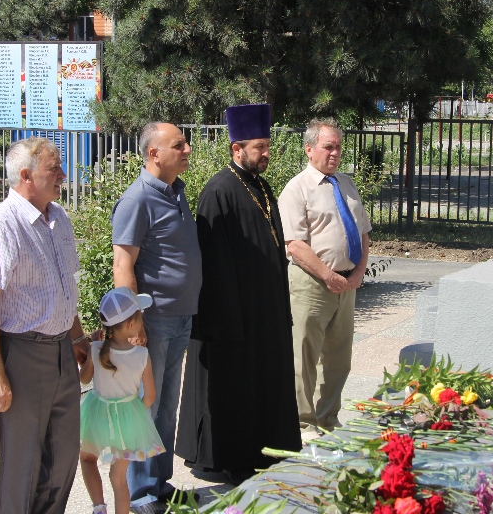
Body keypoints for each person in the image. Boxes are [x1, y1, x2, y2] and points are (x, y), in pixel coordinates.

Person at [175, 103, 301, 485]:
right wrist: (228, 320)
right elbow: (212, 264)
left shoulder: (261, 186)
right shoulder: (218, 191)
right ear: (237, 149)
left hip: (266, 315)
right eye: (259, 147)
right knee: (236, 392)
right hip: (233, 319)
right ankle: (232, 459)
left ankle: (266, 449)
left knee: (266, 387)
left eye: (267, 146)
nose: (266, 154)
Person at [0, 137, 88, 514]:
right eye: (54, 169)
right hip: (21, 356)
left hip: (61, 353)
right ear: (26, 175)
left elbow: (64, 284)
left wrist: (79, 336)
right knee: (22, 469)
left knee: (63, 459)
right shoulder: (0, 226)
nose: (63, 176)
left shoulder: (59, 218)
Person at [110, 122, 202, 510]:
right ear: (154, 154)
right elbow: (122, 264)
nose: (187, 149)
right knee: (144, 406)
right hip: (153, 322)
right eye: (178, 144)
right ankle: (140, 495)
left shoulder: (175, 192)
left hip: (180, 317)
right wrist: (132, 324)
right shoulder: (137, 200)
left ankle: (159, 484)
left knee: (166, 407)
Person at [278, 118, 371, 439]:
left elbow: (363, 232)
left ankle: (328, 418)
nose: (335, 153)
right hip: (311, 284)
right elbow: (295, 244)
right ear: (309, 149)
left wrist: (358, 272)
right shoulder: (297, 189)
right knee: (303, 356)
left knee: (338, 357)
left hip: (347, 284)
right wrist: (328, 275)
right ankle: (303, 423)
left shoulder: (345, 183)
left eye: (338, 147)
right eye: (328, 147)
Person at [78, 287, 165, 514]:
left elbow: (84, 379)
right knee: (119, 479)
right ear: (130, 325)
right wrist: (135, 414)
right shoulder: (142, 355)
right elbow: (150, 396)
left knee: (87, 459)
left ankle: (99, 507)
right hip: (128, 419)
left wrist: (88, 354)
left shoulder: (97, 349)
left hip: (98, 412)